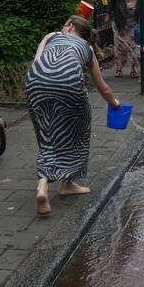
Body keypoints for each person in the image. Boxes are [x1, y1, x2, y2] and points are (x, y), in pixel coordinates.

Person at [26, 15, 120, 217]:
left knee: (47, 134)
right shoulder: (87, 49)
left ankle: (42, 187)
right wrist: (114, 103)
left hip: (35, 81)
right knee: (79, 130)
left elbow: (37, 61)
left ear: (69, 27)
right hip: (67, 82)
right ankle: (66, 184)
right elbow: (102, 88)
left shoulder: (51, 37)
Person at [107, 0, 141, 78]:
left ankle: (133, 69)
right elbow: (111, 3)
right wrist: (108, 14)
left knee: (133, 46)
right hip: (120, 23)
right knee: (119, 46)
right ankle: (118, 69)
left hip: (133, 24)